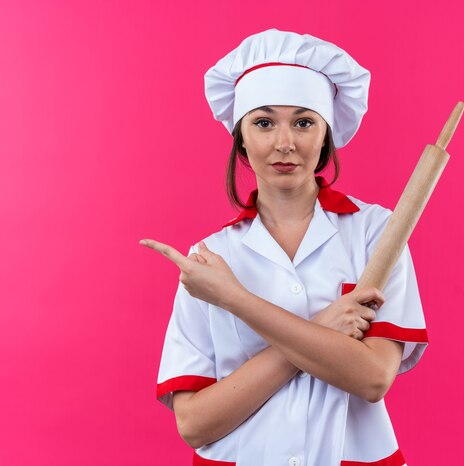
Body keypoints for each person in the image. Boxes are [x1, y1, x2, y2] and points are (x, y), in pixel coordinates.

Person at [140, 28, 429, 466]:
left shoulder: (375, 231)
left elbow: (372, 378)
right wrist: (325, 328)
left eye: (303, 121)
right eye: (263, 122)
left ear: (326, 134)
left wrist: (234, 299)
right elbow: (195, 424)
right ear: (240, 137)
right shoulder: (210, 260)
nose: (284, 143)